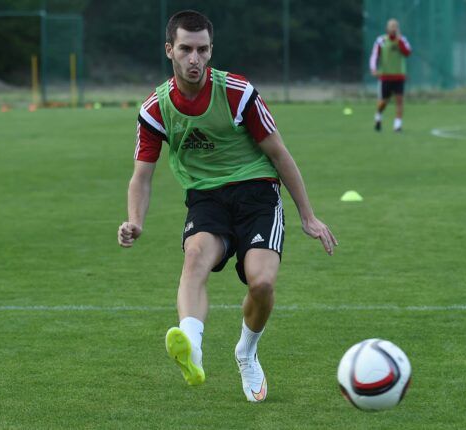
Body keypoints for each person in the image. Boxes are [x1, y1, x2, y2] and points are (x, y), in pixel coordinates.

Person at [118, 10, 337, 402]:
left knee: (262, 282)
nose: (194, 58)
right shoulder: (155, 109)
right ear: (170, 50)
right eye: (185, 49)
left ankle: (246, 351)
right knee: (195, 257)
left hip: (257, 191)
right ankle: (192, 346)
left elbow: (280, 153)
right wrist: (135, 220)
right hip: (207, 197)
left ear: (211, 50)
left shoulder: (237, 93)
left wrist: (308, 215)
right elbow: (142, 175)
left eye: (202, 49)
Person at [369, 18, 412, 132]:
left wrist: (399, 41)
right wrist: (373, 68)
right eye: (391, 26)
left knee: (399, 100)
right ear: (387, 28)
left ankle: (397, 125)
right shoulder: (381, 40)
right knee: (384, 101)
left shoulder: (402, 40)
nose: (393, 28)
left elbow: (407, 52)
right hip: (386, 76)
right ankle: (378, 116)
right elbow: (374, 56)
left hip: (399, 76)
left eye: (395, 26)